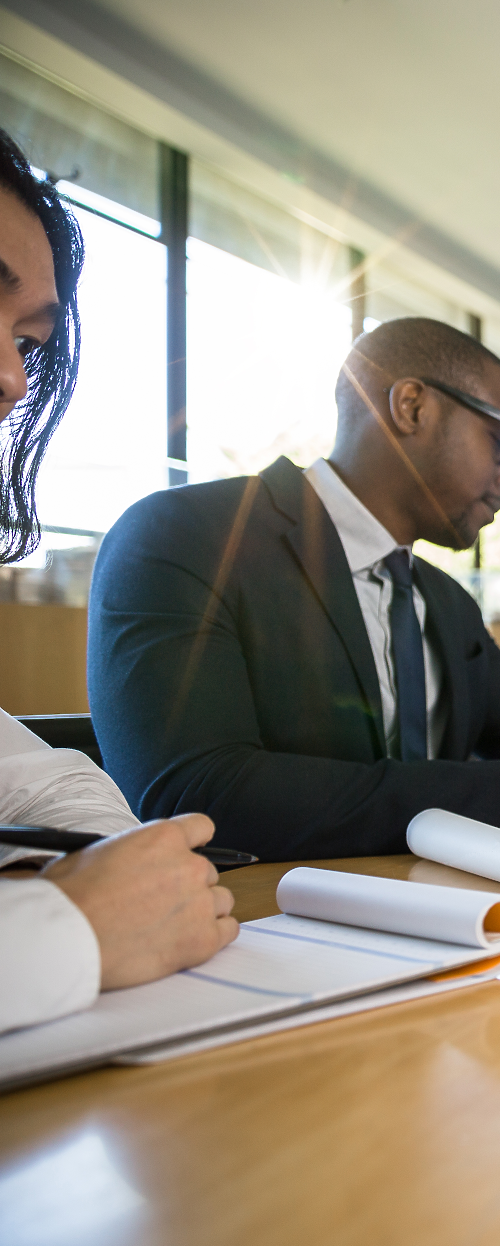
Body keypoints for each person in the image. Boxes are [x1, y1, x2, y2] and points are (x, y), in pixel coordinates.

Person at [88, 318, 500, 862]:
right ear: (411, 406)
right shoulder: (183, 538)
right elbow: (191, 795)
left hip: (454, 926)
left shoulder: (444, 602)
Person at [0, 128, 236, 1033]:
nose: (15, 382)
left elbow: (56, 789)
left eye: (29, 340)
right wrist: (67, 927)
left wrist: (98, 882)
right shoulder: (170, 543)